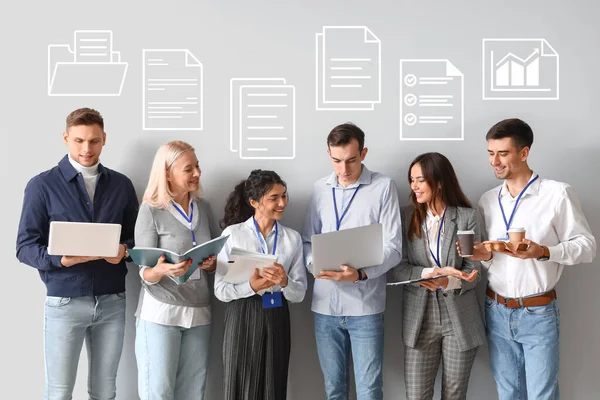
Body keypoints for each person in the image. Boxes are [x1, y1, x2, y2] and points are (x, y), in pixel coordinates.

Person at [464, 118, 596, 400]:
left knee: (542, 395)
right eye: (490, 153)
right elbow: (492, 258)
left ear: (524, 153)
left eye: (503, 153)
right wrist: (484, 255)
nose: (494, 161)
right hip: (496, 308)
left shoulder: (557, 193)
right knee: (508, 394)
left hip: (537, 312)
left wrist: (544, 252)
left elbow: (587, 247)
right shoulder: (487, 200)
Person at [15, 108, 139, 400]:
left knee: (105, 392)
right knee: (59, 393)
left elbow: (137, 241)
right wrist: (60, 259)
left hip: (112, 302)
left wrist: (124, 251)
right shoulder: (42, 185)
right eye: (79, 140)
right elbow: (24, 247)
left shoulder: (121, 185)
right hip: (64, 303)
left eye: (94, 141)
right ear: (66, 138)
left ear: (104, 139)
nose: (86, 149)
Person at [302, 123, 402, 400]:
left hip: (365, 305)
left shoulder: (383, 187)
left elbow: (393, 247)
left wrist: (359, 275)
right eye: (336, 161)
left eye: (351, 160)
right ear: (328, 154)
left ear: (364, 153)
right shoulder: (320, 188)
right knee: (335, 390)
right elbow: (308, 240)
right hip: (325, 305)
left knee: (369, 390)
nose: (343, 169)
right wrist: (314, 265)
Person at [390, 152, 485, 400]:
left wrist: (449, 280)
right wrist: (428, 273)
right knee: (416, 395)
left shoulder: (467, 216)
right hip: (420, 316)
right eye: (412, 180)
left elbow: (474, 272)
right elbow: (397, 266)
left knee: (454, 394)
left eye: (420, 180)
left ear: (439, 181)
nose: (414, 186)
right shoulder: (405, 216)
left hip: (459, 316)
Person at [133, 141, 218, 400]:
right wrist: (161, 270)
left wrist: (212, 264)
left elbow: (214, 257)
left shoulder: (203, 207)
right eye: (188, 169)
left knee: (193, 392)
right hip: (161, 311)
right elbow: (144, 271)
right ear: (167, 173)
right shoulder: (151, 210)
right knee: (158, 392)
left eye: (197, 166)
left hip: (199, 312)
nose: (197, 173)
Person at [214, 169, 307, 400]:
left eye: (284, 195)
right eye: (274, 198)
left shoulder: (292, 238)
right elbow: (220, 290)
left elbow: (300, 294)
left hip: (277, 313)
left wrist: (285, 282)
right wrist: (251, 287)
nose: (282, 203)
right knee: (240, 384)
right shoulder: (233, 235)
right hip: (242, 313)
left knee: (273, 386)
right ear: (254, 202)